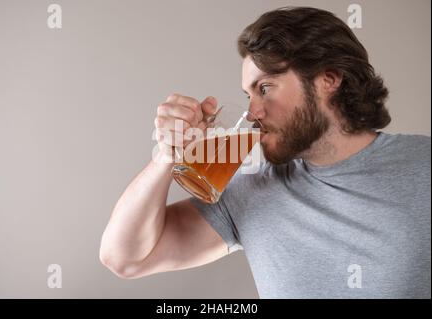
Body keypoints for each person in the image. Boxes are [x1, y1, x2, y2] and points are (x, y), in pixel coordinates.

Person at [99, 7, 431, 298]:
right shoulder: (252, 187)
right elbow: (125, 258)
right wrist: (165, 157)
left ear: (329, 79)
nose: (253, 112)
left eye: (265, 88)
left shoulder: (423, 166)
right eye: (248, 96)